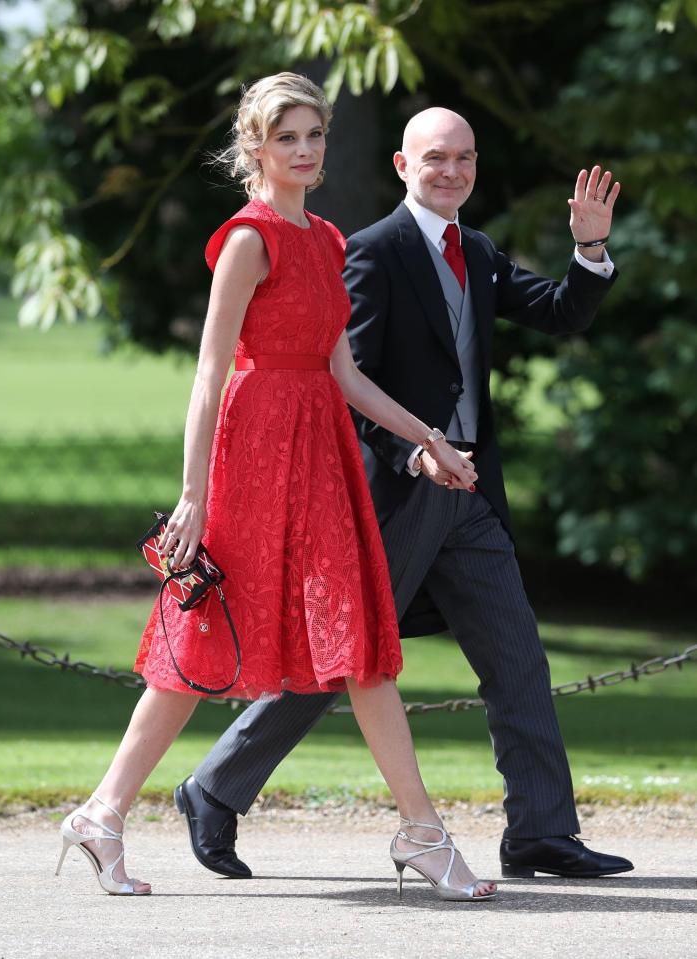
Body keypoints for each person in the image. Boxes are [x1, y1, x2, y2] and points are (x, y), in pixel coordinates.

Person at [54, 74, 497, 902]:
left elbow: (346, 374)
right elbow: (209, 373)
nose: (305, 150)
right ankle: (105, 812)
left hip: (321, 452)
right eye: (287, 137)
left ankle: (423, 833)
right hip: (254, 450)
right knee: (207, 636)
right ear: (255, 146)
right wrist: (193, 494)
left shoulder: (328, 240)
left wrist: (429, 437)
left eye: (316, 136)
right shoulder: (249, 238)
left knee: (358, 637)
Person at [175, 107, 634, 882]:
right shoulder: (371, 252)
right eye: (434, 158)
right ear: (401, 165)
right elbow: (347, 379)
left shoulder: (478, 252)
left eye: (463, 158)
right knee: (344, 660)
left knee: (517, 653)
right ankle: (214, 789)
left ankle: (540, 832)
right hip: (396, 492)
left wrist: (589, 249)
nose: (450, 170)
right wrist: (413, 453)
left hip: (472, 495)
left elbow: (560, 314)